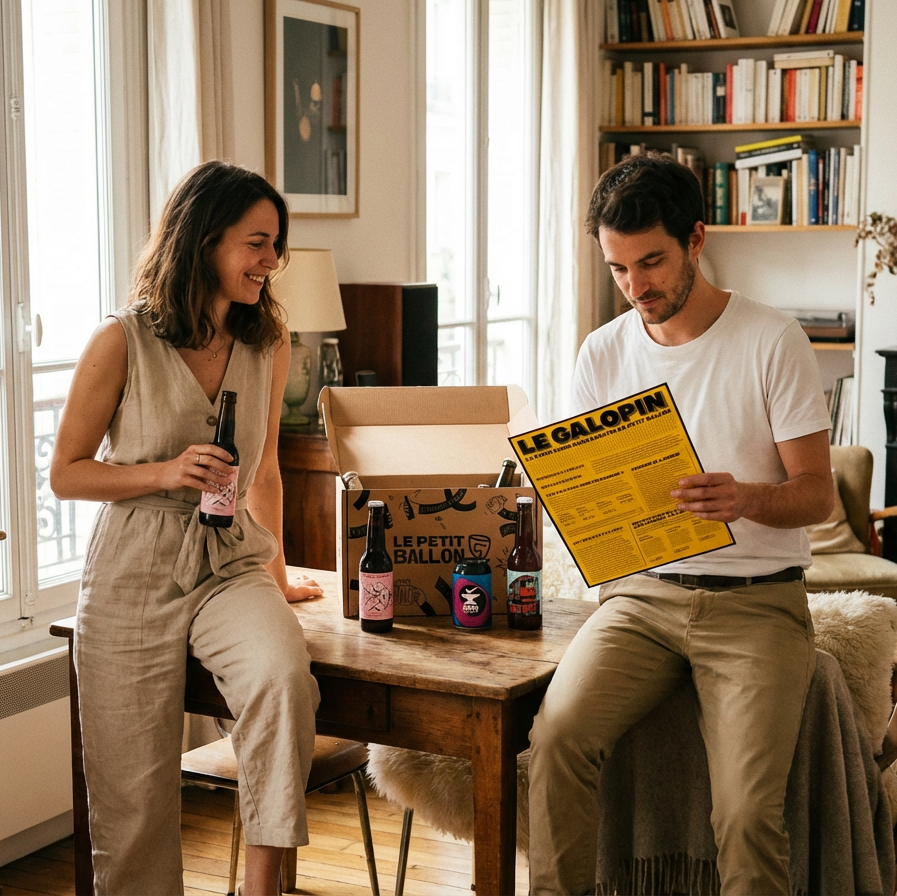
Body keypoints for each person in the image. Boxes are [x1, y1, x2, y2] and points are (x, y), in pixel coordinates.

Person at [527, 152, 833, 896]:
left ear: (695, 239)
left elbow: (818, 496)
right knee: (554, 742)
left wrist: (747, 500)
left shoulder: (771, 339)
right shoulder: (602, 352)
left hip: (756, 604)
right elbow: (589, 495)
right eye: (618, 269)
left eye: (652, 262)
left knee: (745, 813)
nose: (636, 288)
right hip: (639, 599)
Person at [50, 160, 324, 896]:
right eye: (257, 243)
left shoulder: (266, 340)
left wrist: (276, 578)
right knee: (131, 780)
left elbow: (263, 474)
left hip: (230, 561)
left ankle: (261, 889)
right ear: (205, 240)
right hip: (131, 568)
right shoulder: (121, 341)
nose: (272, 262)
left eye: (275, 245)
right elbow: (68, 473)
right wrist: (166, 471)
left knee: (281, 680)